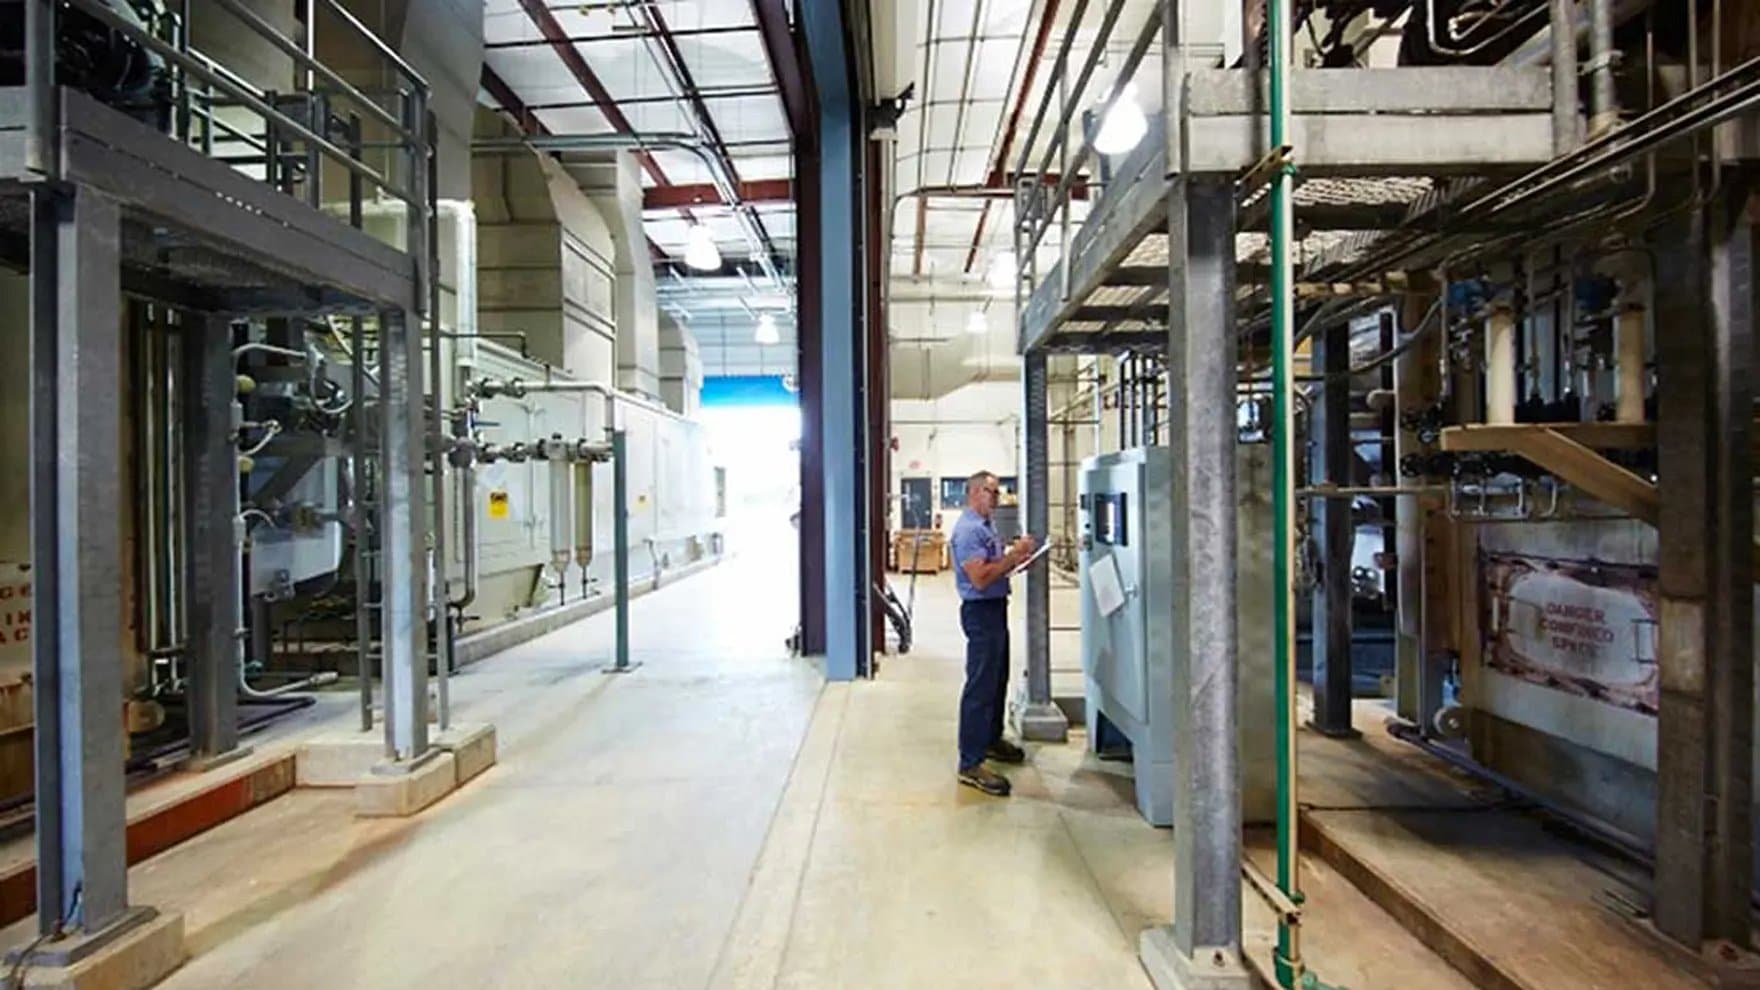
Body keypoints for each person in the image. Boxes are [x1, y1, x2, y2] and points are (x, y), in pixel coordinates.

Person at [949, 470, 1036, 796]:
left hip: (995, 609)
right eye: (991, 492)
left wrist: (1017, 561)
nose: (997, 499)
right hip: (981, 613)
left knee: (997, 678)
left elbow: (994, 567)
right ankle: (970, 763)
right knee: (980, 686)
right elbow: (981, 578)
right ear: (974, 493)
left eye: (998, 493)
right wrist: (1013, 556)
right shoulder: (970, 530)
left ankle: (990, 739)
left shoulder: (986, 526)